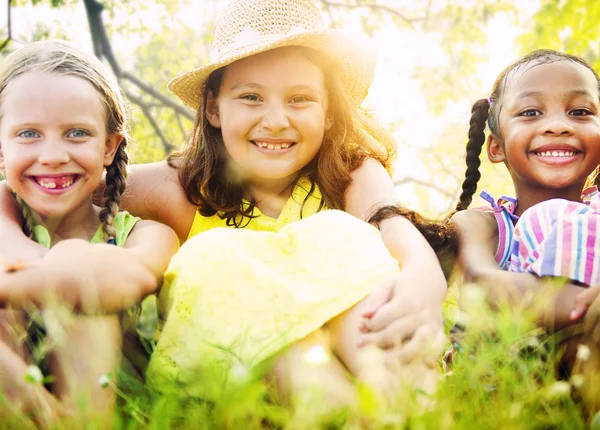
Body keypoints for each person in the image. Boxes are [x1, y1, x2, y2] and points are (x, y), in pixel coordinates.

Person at [0, 0, 449, 417]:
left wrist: (423, 280)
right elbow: (68, 182)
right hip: (251, 373)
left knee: (344, 236)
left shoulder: (348, 174)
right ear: (213, 107)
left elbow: (391, 223)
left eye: (300, 99)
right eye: (251, 97)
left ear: (330, 112)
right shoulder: (177, 189)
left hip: (356, 344)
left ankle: (400, 407)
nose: (276, 119)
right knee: (213, 258)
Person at [0, 40, 179, 426]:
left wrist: (61, 269)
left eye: (77, 133)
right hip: (15, 389)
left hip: (106, 401)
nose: (52, 155)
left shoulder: (144, 234)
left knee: (87, 289)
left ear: (110, 147)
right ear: (1, 149)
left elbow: (124, 278)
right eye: (28, 134)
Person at [450, 48, 600, 411]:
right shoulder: (484, 223)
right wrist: (585, 306)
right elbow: (485, 286)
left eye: (580, 112)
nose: (558, 125)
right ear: (497, 147)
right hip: (508, 382)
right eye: (531, 112)